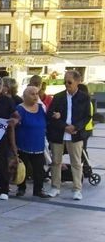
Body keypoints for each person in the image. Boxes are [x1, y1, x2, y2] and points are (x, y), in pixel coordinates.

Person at [47, 71, 91, 200]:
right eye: (65, 82)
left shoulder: (84, 97)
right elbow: (50, 114)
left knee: (76, 162)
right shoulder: (58, 97)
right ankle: (55, 187)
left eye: (69, 82)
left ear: (78, 82)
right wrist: (64, 126)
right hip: (59, 134)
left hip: (76, 134)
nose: (67, 84)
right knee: (56, 161)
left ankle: (77, 189)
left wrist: (76, 127)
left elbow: (87, 116)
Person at [15, 86, 50, 198]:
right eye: (32, 94)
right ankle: (21, 188)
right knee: (22, 168)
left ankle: (38, 190)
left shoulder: (41, 108)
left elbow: (47, 122)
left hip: (38, 145)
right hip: (23, 144)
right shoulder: (19, 109)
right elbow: (14, 126)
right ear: (25, 96)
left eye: (36, 94)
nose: (35, 96)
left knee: (39, 169)